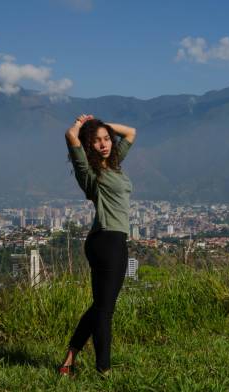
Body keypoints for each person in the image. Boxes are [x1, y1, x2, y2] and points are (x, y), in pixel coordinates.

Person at [58, 114, 136, 377]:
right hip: (107, 240)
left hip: (111, 240)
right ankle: (104, 369)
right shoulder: (90, 173)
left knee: (100, 306)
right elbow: (70, 137)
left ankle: (69, 358)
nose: (103, 144)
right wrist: (83, 126)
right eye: (97, 141)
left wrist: (103, 126)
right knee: (105, 309)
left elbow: (131, 133)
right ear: (88, 146)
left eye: (106, 140)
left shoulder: (114, 164)